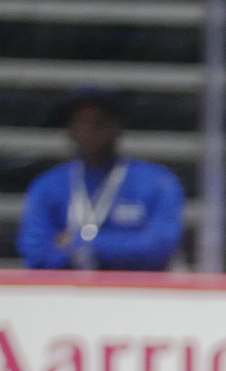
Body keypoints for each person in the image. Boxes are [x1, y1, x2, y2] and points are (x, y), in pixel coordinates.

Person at [17, 86, 185, 270]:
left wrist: (79, 242)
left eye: (100, 122)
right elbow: (36, 254)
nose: (90, 130)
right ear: (70, 130)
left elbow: (159, 247)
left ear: (118, 126)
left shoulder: (157, 183)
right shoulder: (47, 186)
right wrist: (123, 247)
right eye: (82, 122)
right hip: (67, 294)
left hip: (136, 294)